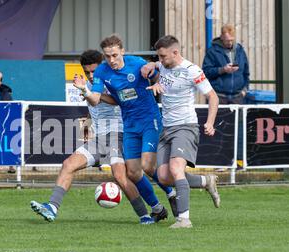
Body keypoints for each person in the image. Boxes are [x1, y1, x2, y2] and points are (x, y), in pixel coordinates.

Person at [30, 50, 160, 225]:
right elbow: (94, 106)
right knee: (68, 164)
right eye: (87, 72)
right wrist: (88, 124)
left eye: (93, 71)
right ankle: (52, 207)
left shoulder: (110, 80)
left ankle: (145, 215)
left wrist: (87, 91)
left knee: (120, 175)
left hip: (119, 134)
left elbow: (115, 100)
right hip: (99, 138)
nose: (91, 76)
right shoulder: (88, 84)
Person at [73, 34, 177, 219]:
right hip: (129, 124)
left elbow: (158, 76)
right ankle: (157, 208)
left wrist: (154, 73)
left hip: (149, 120)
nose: (111, 60)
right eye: (107, 56)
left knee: (147, 166)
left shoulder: (137, 64)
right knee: (133, 172)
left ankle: (172, 193)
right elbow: (96, 99)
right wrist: (84, 90)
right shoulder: (101, 72)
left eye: (114, 55)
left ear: (122, 51)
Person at [145, 35, 221, 229]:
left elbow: (213, 97)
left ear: (175, 53)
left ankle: (184, 219)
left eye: (163, 56)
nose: (161, 60)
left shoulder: (192, 70)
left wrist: (210, 123)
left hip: (185, 126)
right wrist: (151, 67)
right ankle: (206, 181)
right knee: (163, 176)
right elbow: (149, 68)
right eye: (158, 57)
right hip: (166, 127)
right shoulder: (162, 65)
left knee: (176, 170)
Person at [202, 24, 250, 104]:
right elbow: (206, 72)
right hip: (218, 97)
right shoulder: (212, 52)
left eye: (232, 40)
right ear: (221, 37)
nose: (230, 43)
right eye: (227, 40)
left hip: (238, 98)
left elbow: (246, 73)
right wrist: (222, 70)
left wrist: (245, 90)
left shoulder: (240, 51)